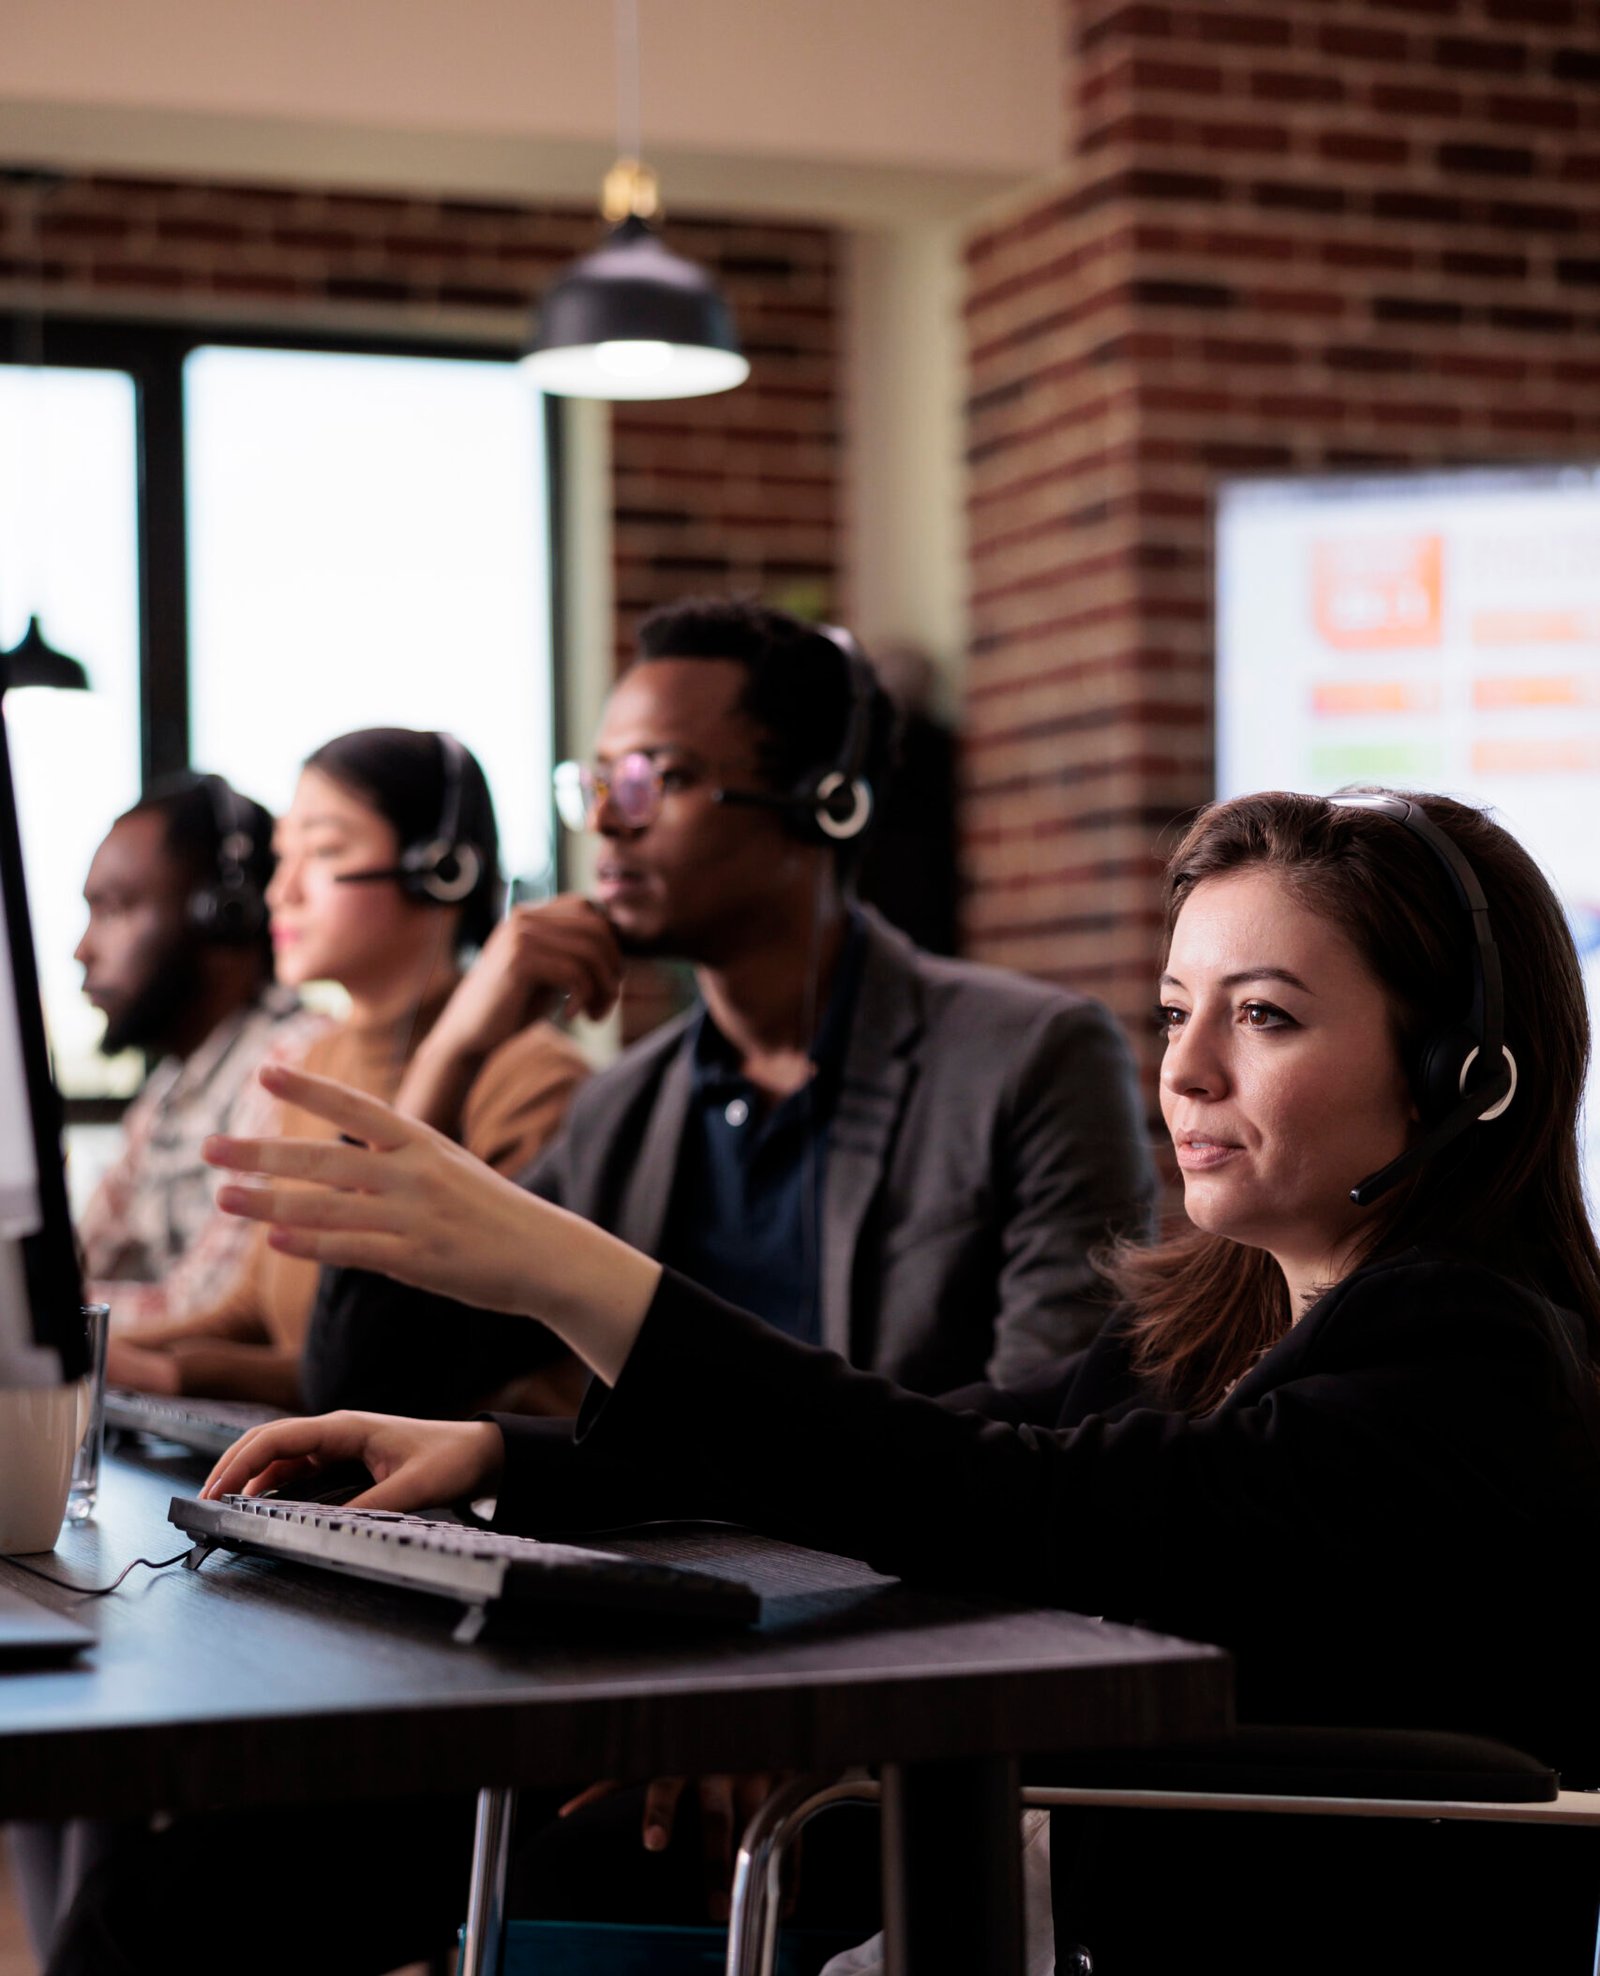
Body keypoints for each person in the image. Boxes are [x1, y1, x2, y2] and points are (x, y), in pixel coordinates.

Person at [182, 787, 1600, 1974]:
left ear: (1463, 1075)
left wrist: (575, 1275)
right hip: (1073, 1878)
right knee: (273, 1859)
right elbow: (952, 1434)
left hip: (1213, 1933)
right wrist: (512, 1460)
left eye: (1268, 1018)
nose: (1188, 1072)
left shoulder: (1470, 1363)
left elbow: (993, 1500)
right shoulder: (1215, 1326)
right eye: (1176, 1011)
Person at [301, 600, 1156, 1421]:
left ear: (826, 802)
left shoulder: (1032, 1057)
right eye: (600, 782)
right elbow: (367, 1382)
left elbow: (1050, 1436)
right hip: (659, 1572)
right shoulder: (622, 1111)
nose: (607, 821)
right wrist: (453, 1050)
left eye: (659, 779)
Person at [106, 728, 589, 1409]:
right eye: (281, 857)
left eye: (326, 851)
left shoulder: (533, 1084)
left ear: (441, 869)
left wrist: (173, 1375)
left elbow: (436, 1374)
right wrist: (96, 1355)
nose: (282, 891)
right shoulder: (316, 1062)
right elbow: (255, 1309)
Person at [74, 773, 328, 1337]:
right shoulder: (173, 1087)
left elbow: (211, 1309)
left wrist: (42, 1318)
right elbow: (81, 1263)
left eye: (114, 909)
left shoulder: (291, 1067)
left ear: (224, 912)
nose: (83, 950)